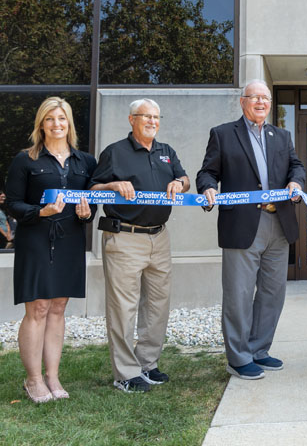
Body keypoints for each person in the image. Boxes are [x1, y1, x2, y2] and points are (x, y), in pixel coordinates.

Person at [197, 79, 305, 381]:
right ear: (242, 102)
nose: (261, 102)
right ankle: (238, 357)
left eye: (265, 98)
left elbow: (296, 166)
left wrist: (296, 182)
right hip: (241, 225)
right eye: (254, 97)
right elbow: (207, 171)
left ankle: (259, 349)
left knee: (273, 292)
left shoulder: (281, 136)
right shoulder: (223, 134)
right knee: (239, 295)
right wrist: (207, 188)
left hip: (279, 225)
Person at [90, 98, 190, 393]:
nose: (152, 121)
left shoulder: (166, 152)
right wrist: (111, 186)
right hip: (125, 237)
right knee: (123, 307)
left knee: (158, 305)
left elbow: (183, 178)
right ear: (131, 119)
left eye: (156, 117)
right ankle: (125, 373)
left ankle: (147, 364)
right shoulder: (114, 153)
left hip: (159, 237)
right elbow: (93, 188)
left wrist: (180, 184)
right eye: (145, 116)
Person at [5, 97, 96, 403]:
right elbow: (13, 203)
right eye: (50, 119)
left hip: (70, 239)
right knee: (39, 307)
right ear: (40, 124)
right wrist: (40, 212)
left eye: (62, 119)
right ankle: (32, 380)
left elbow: (90, 205)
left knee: (58, 307)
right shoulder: (26, 159)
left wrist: (86, 213)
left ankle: (52, 377)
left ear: (69, 123)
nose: (56, 124)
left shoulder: (86, 161)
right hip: (36, 239)